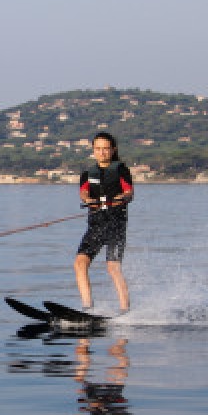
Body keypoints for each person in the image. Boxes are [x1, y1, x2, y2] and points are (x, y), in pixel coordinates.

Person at [74, 132, 133, 312]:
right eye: (98, 149)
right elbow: (84, 192)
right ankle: (87, 308)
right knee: (80, 263)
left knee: (112, 267)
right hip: (96, 225)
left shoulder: (121, 170)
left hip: (116, 224)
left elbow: (129, 192)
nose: (102, 152)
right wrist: (87, 200)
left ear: (113, 150)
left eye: (106, 149)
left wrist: (122, 197)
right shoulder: (87, 173)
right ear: (93, 150)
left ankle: (125, 310)